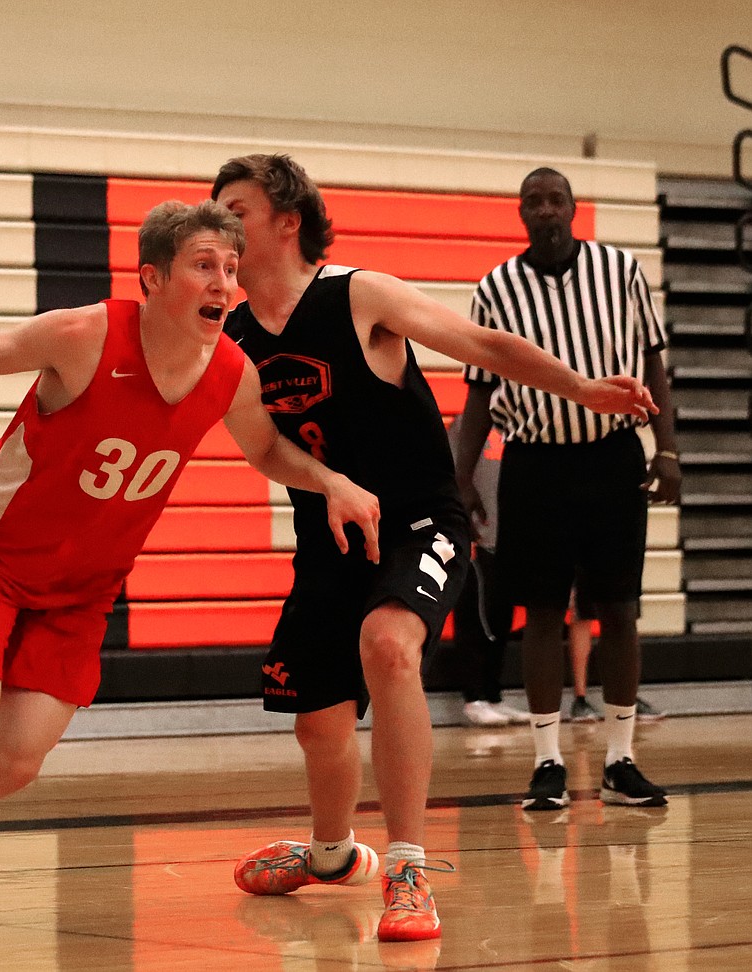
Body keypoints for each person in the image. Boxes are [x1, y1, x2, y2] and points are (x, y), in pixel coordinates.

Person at [0, 199, 385, 934]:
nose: (223, 283)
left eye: (229, 267)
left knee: (13, 761)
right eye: (203, 266)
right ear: (152, 279)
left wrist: (333, 481)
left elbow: (266, 451)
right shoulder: (83, 335)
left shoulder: (230, 372)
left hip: (84, 589)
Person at [210, 154, 655, 944]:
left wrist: (583, 389)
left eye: (236, 209)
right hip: (330, 538)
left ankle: (410, 869)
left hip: (419, 520)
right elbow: (263, 450)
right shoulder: (234, 336)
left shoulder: (358, 296)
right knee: (318, 725)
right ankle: (332, 855)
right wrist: (329, 484)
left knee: (389, 644)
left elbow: (483, 343)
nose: (224, 226)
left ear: (287, 221)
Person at [454, 167, 680, 813]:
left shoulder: (621, 269)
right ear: (521, 213)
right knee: (544, 614)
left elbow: (655, 363)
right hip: (534, 464)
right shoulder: (496, 287)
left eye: (556, 199)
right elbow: (478, 393)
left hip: (612, 457)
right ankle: (547, 762)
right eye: (534, 201)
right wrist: (464, 477)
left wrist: (667, 449)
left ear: (573, 209)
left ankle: (621, 760)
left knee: (619, 609)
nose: (546, 210)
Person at [445, 417, 529, 727]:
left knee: (501, 619)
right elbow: (451, 476)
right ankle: (474, 697)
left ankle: (493, 695)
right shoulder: (464, 428)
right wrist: (465, 528)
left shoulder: (517, 427)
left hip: (508, 542)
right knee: (473, 618)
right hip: (476, 539)